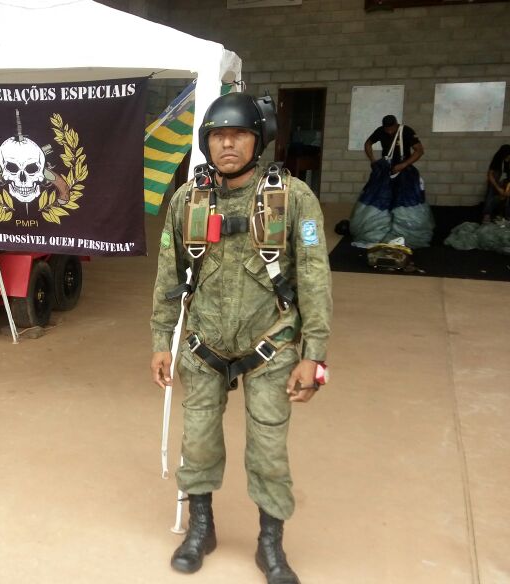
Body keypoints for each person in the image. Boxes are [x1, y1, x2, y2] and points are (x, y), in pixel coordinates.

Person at [150, 92, 332, 583]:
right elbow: (169, 274)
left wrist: (314, 357)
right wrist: (161, 339)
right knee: (198, 441)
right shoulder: (187, 201)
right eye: (218, 136)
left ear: (259, 139)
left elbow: (314, 278)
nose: (227, 144)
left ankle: (271, 542)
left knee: (269, 449)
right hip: (202, 345)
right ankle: (201, 527)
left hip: (271, 345)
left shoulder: (293, 198)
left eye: (239, 135)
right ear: (206, 142)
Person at [482, 144, 510, 223]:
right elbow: (490, 174)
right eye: (504, 158)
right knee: (491, 186)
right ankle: (487, 214)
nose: (506, 159)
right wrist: (498, 188)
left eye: (507, 157)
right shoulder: (498, 156)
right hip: (500, 171)